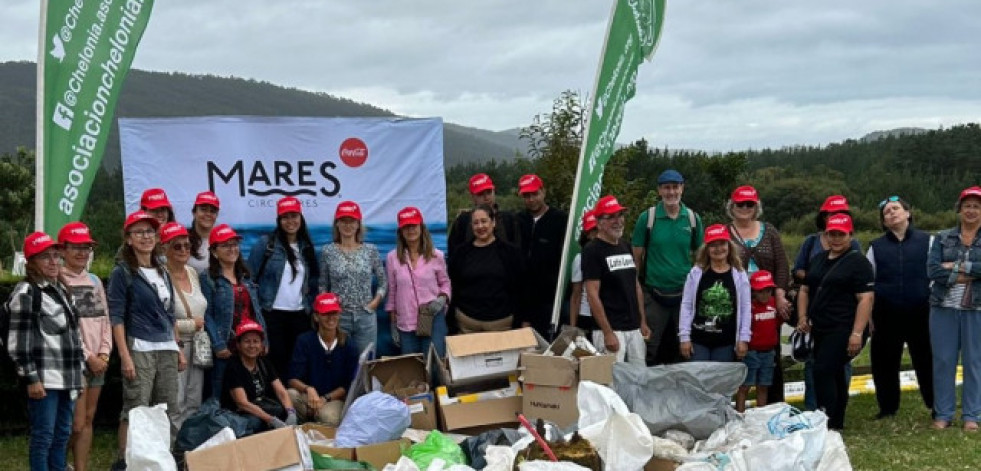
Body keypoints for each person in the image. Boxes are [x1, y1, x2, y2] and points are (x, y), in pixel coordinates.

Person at [107, 211, 185, 470]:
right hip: (139, 347)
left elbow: (170, 313)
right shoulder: (123, 272)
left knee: (169, 407)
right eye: (138, 232)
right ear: (128, 239)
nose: (145, 237)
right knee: (135, 408)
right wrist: (125, 356)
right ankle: (127, 461)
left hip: (167, 347)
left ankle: (163, 458)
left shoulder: (162, 270)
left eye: (150, 232)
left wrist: (178, 349)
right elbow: (116, 317)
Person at [5, 232, 84, 471]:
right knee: (43, 437)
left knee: (62, 435)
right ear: (31, 263)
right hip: (45, 380)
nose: (53, 262)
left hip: (68, 378)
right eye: (45, 257)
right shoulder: (26, 293)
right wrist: (31, 378)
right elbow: (18, 343)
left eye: (55, 256)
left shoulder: (60, 289)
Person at [796, 214, 874, 431]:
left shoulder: (859, 262)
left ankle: (826, 419)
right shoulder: (818, 259)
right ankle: (836, 421)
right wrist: (803, 316)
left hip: (844, 326)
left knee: (822, 370)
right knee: (836, 372)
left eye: (841, 234)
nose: (836, 239)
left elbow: (865, 298)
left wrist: (857, 333)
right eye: (832, 234)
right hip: (820, 326)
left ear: (851, 235)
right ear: (826, 234)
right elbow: (805, 289)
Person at [867, 195, 934, 420]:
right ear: (884, 221)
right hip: (886, 314)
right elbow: (869, 282)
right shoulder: (875, 247)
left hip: (922, 312)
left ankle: (936, 405)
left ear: (908, 213)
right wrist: (869, 315)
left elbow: (936, 275)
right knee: (884, 362)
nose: (892, 213)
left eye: (896, 209)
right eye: (887, 212)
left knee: (927, 360)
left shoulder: (928, 241)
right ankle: (887, 407)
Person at [792, 194, 861, 411]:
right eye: (832, 214)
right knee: (812, 358)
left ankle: (838, 408)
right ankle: (813, 406)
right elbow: (798, 270)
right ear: (823, 217)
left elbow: (859, 277)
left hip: (843, 311)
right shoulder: (810, 242)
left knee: (842, 361)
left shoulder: (855, 244)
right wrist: (820, 277)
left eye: (841, 214)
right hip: (814, 307)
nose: (835, 217)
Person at [725, 185, 791, 403]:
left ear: (756, 207)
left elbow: (782, 265)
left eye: (749, 204)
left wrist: (780, 294)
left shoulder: (769, 231)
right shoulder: (724, 232)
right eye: (740, 204)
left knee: (771, 352)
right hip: (738, 301)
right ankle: (736, 406)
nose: (744, 208)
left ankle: (773, 405)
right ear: (731, 206)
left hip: (767, 300)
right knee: (739, 353)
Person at [632, 169, 704, 365]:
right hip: (654, 295)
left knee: (685, 348)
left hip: (684, 296)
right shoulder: (647, 218)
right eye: (666, 188)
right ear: (659, 191)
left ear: (682, 188)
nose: (671, 192)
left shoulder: (692, 218)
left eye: (675, 187)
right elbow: (636, 259)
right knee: (649, 348)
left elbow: (701, 257)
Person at [927, 186, 981, 431]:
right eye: (967, 206)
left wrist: (957, 267)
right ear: (959, 210)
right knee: (943, 361)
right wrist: (971, 272)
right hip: (943, 308)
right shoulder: (942, 237)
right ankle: (944, 413)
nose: (971, 211)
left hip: (976, 309)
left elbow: (946, 269)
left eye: (976, 206)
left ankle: (972, 415)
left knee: (975, 362)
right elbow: (933, 270)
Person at [248, 196, 320, 379]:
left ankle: (297, 402)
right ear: (279, 220)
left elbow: (313, 282)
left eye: (294, 216)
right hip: (272, 314)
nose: (290, 221)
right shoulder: (266, 244)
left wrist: (311, 308)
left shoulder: (307, 247)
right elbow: (249, 280)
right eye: (285, 217)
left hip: (300, 316)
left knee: (299, 363)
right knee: (275, 363)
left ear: (301, 218)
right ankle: (279, 404)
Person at [58, 223, 111, 471]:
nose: (82, 252)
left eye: (86, 247)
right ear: (63, 250)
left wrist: (104, 352)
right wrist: (89, 356)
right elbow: (65, 328)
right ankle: (55, 462)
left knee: (89, 418)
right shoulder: (57, 279)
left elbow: (104, 319)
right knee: (76, 423)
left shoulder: (94, 281)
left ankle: (80, 467)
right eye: (76, 247)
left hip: (98, 361)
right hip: (74, 361)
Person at [582, 196, 650, 365]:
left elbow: (635, 286)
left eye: (620, 215)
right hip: (612, 330)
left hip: (634, 328)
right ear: (599, 222)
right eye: (611, 217)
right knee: (611, 385)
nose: (618, 221)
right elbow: (592, 294)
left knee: (639, 380)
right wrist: (607, 332)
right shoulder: (592, 250)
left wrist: (642, 321)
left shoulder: (626, 246)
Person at [202, 224, 268, 397]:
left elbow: (256, 311)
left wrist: (264, 340)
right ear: (214, 252)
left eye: (234, 244)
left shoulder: (246, 276)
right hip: (225, 346)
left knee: (251, 393)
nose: (232, 249)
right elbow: (206, 314)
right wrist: (218, 343)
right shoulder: (208, 278)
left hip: (248, 346)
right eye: (225, 245)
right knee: (220, 393)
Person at [319, 201, 386, 355]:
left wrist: (374, 303)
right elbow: (323, 285)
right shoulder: (327, 251)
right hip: (338, 317)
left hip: (365, 317)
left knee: (366, 363)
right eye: (343, 221)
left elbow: (383, 282)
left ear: (358, 224)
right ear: (337, 224)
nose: (347, 225)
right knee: (338, 362)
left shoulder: (371, 250)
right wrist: (328, 311)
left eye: (352, 221)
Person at [160, 222, 209, 430]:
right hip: (175, 344)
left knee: (194, 400)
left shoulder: (192, 272)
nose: (183, 250)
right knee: (176, 401)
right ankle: (173, 448)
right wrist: (191, 325)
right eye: (177, 246)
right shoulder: (160, 275)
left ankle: (189, 444)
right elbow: (161, 318)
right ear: (164, 248)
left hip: (197, 346)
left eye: (187, 246)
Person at [678, 224, 751, 362]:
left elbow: (745, 308)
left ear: (729, 246)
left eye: (722, 244)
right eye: (713, 245)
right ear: (706, 249)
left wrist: (744, 338)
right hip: (699, 340)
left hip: (726, 342)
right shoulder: (696, 273)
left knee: (722, 382)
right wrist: (684, 337)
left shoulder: (740, 275)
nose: (718, 249)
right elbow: (686, 305)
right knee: (699, 380)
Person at [448, 204, 526, 333]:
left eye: (484, 221)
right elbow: (453, 284)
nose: (480, 227)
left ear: (493, 222)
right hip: (467, 323)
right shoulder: (460, 253)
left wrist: (524, 318)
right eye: (476, 223)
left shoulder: (511, 253)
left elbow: (522, 287)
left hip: (501, 324)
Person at [385, 207, 451, 356]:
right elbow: (392, 292)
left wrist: (442, 298)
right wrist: (393, 323)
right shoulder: (392, 258)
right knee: (412, 368)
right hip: (406, 322)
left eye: (414, 225)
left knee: (434, 365)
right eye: (406, 226)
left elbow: (445, 283)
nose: (410, 230)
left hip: (432, 318)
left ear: (421, 227)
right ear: (401, 231)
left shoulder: (437, 255)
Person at [286, 293, 359, 426]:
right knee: (290, 395)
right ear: (316, 317)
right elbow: (292, 379)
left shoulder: (349, 344)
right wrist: (308, 389)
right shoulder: (304, 340)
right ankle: (303, 426)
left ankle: (319, 428)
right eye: (325, 314)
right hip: (309, 397)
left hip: (335, 399)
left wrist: (325, 399)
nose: (331, 318)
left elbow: (349, 384)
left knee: (328, 417)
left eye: (334, 313)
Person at [221, 320, 297, 434]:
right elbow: (242, 403)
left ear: (261, 345)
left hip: (261, 406)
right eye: (247, 341)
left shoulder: (264, 362)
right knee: (255, 422)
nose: (252, 346)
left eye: (256, 341)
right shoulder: (233, 366)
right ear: (238, 345)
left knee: (284, 411)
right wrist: (270, 419)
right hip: (240, 413)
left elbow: (281, 391)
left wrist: (291, 412)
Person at [516, 174, 569, 336]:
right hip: (522, 297)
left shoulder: (560, 219)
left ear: (543, 192)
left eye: (534, 194)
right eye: (526, 195)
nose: (531, 199)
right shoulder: (518, 220)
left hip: (551, 298)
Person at [736, 270, 780, 413]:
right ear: (753, 291)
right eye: (760, 291)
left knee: (763, 385)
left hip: (769, 352)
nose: (764, 295)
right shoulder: (750, 307)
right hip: (751, 352)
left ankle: (760, 415)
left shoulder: (775, 304)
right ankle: (740, 416)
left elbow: (780, 321)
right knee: (745, 386)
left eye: (768, 291)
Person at [447, 173, 522, 256]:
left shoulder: (509, 220)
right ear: (472, 197)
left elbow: (518, 251)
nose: (486, 197)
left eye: (489, 192)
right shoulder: (462, 221)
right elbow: (453, 253)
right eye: (480, 194)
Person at [570, 210, 599, 333]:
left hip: (611, 316)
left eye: (598, 229)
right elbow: (576, 295)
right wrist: (573, 327)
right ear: (587, 234)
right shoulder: (580, 259)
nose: (596, 234)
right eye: (593, 231)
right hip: (587, 317)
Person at [187, 191, 221, 274]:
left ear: (217, 215)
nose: (208, 214)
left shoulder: (223, 240)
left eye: (212, 211)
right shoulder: (184, 240)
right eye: (203, 210)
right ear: (194, 212)